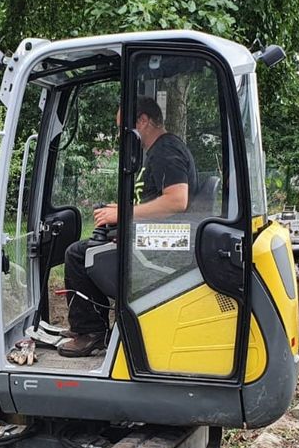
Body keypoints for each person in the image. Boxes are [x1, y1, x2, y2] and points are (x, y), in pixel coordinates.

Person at [58, 97, 198, 358]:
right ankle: (92, 327)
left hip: (166, 247)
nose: (121, 135)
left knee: (78, 254)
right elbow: (155, 201)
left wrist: (122, 215)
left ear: (143, 121)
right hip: (155, 237)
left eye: (124, 128)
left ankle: (90, 332)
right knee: (91, 248)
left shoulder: (165, 151)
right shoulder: (158, 151)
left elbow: (177, 200)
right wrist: (116, 210)